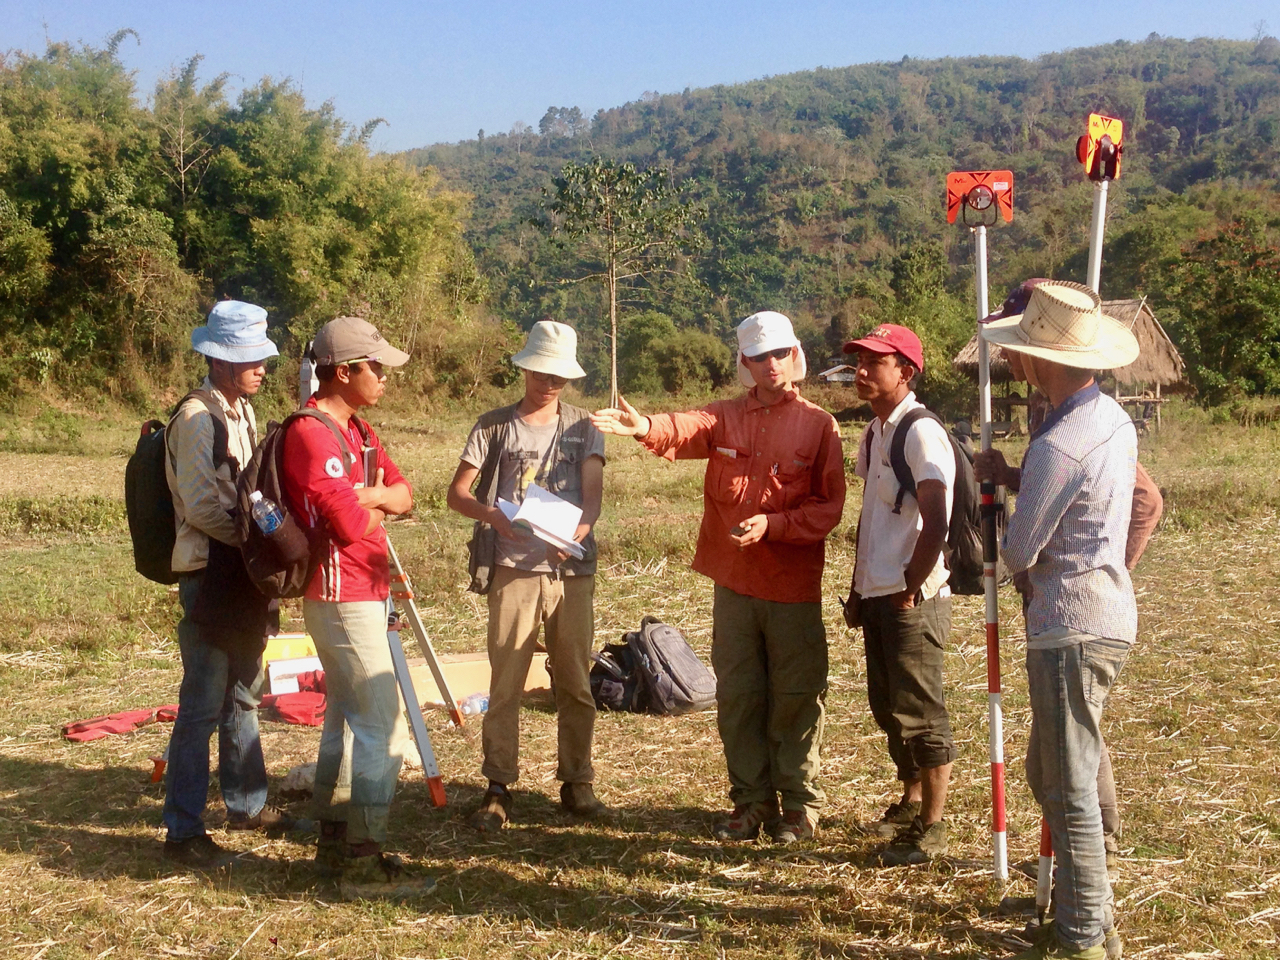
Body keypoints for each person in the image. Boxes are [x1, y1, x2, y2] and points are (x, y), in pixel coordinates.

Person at [592, 311, 844, 844]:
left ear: (794, 356)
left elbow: (828, 509)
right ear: (745, 363)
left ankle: (799, 808)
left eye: (779, 354)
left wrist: (775, 524)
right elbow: (686, 428)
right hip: (733, 586)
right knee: (740, 695)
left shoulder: (819, 425)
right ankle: (751, 802)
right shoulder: (725, 416)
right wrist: (644, 427)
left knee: (797, 695)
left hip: (792, 589)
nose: (770, 365)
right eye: (759, 357)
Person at [976, 280, 1164, 886]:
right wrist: (1016, 474)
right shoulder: (1109, 419)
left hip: (1068, 624)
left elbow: (1020, 548)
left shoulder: (1060, 443)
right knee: (1049, 768)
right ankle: (1085, 918)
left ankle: (1083, 927)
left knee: (1069, 784)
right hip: (1100, 617)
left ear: (1038, 359)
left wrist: (1009, 505)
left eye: (1016, 350)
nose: (1011, 360)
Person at [279, 316, 430, 900]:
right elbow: (346, 522)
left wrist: (374, 498)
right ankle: (364, 859)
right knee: (381, 725)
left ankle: (336, 839)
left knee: (347, 718)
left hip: (361, 589)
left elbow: (406, 493)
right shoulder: (314, 434)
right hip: (341, 592)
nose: (385, 377)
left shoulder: (358, 430)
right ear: (344, 372)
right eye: (377, 367)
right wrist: (375, 501)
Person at [446, 320, 607, 830]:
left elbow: (593, 496)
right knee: (507, 680)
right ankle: (497, 785)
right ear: (525, 368)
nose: (548, 383)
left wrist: (573, 540)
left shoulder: (586, 426)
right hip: (513, 570)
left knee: (575, 682)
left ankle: (577, 782)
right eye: (541, 372)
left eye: (558, 376)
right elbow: (458, 494)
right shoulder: (494, 425)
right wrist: (492, 516)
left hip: (570, 571)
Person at [162, 300, 296, 869]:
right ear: (218, 361)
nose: (262, 367)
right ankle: (184, 829)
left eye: (263, 356)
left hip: (238, 574)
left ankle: (245, 803)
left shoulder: (237, 410)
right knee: (200, 705)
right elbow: (200, 506)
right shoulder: (197, 418)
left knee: (244, 694)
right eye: (250, 358)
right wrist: (255, 544)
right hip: (212, 573)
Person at [842, 323, 958, 865]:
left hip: (912, 596)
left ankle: (932, 825)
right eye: (859, 362)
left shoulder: (919, 431)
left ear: (905, 372)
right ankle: (911, 801)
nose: (861, 372)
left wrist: (911, 585)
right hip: (881, 591)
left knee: (920, 708)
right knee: (887, 705)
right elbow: (872, 518)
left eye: (874, 362)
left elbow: (936, 518)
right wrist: (858, 589)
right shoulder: (875, 431)